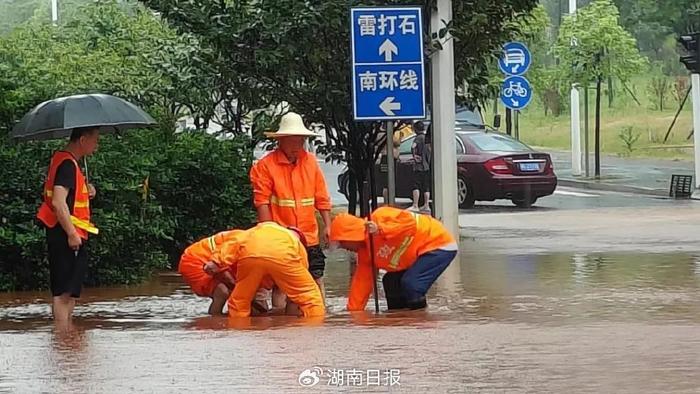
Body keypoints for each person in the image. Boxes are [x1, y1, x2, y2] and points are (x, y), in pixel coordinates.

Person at [249, 112, 332, 297]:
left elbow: (321, 196)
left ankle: (320, 318)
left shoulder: (310, 162)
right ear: (281, 141)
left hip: (309, 237)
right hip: (281, 238)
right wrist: (268, 235)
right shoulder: (266, 166)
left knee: (316, 278)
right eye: (293, 141)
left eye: (300, 141)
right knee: (281, 284)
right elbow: (261, 202)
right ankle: (282, 322)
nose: (298, 146)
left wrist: (328, 226)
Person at [329, 206, 457, 311]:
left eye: (342, 243)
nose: (344, 248)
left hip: (438, 243)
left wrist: (380, 229)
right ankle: (400, 322)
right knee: (390, 281)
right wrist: (353, 313)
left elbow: (409, 222)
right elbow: (361, 285)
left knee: (412, 283)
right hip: (419, 253)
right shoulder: (366, 255)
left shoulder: (379, 216)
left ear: (349, 236)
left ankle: (420, 321)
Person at [36, 126, 100, 321]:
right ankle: (63, 341)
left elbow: (69, 198)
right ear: (82, 140)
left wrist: (87, 189)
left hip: (66, 232)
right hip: (65, 234)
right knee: (64, 293)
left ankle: (65, 341)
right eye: (95, 140)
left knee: (69, 291)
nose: (97, 145)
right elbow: (58, 201)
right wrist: (71, 233)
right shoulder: (67, 165)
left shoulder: (67, 162)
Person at [205, 222, 325, 318]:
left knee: (240, 300)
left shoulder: (254, 231)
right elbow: (302, 268)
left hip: (250, 257)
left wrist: (216, 261)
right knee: (310, 297)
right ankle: (315, 326)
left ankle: (238, 328)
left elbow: (233, 243)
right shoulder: (293, 240)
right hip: (283, 257)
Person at [178, 230, 243, 315]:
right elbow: (221, 267)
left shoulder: (252, 241)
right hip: (194, 261)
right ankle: (214, 320)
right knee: (222, 291)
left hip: (215, 262)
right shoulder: (239, 240)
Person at [410, 121, 431, 213]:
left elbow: (413, 147)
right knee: (426, 186)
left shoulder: (418, 138)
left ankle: (415, 204)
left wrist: (414, 155)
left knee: (416, 185)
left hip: (419, 166)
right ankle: (426, 205)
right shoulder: (427, 138)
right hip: (426, 166)